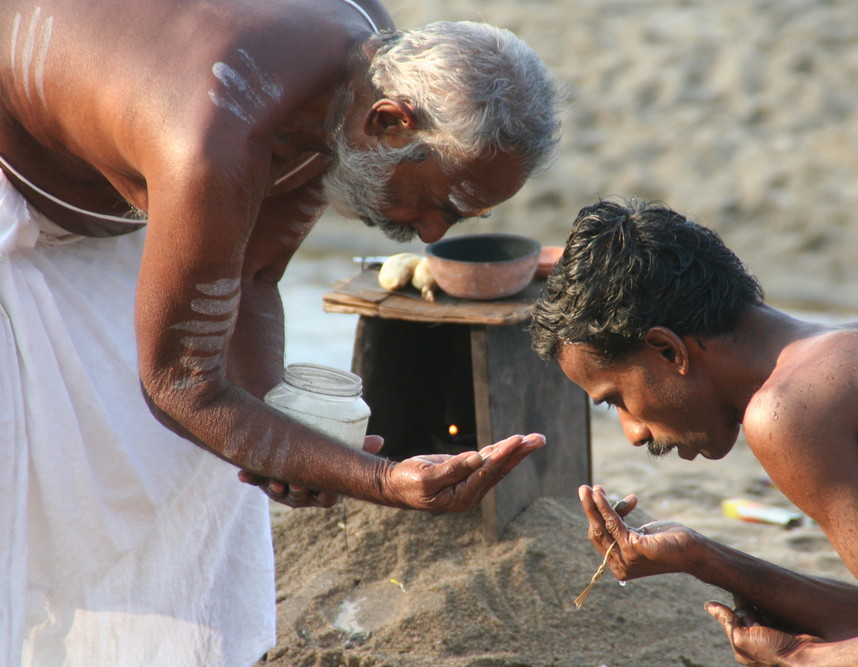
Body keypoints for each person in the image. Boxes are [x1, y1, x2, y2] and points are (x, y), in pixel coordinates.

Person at [1, 0, 561, 663]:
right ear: (389, 123)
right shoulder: (216, 144)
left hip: (115, 201)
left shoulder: (362, 70)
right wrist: (381, 479)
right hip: (23, 189)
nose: (434, 232)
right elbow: (179, 384)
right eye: (445, 201)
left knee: (203, 477)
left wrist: (287, 428)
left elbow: (255, 273)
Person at [529, 198, 858, 666]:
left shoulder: (788, 412)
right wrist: (702, 559)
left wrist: (799, 659)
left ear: (668, 350)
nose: (632, 434)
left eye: (617, 400)